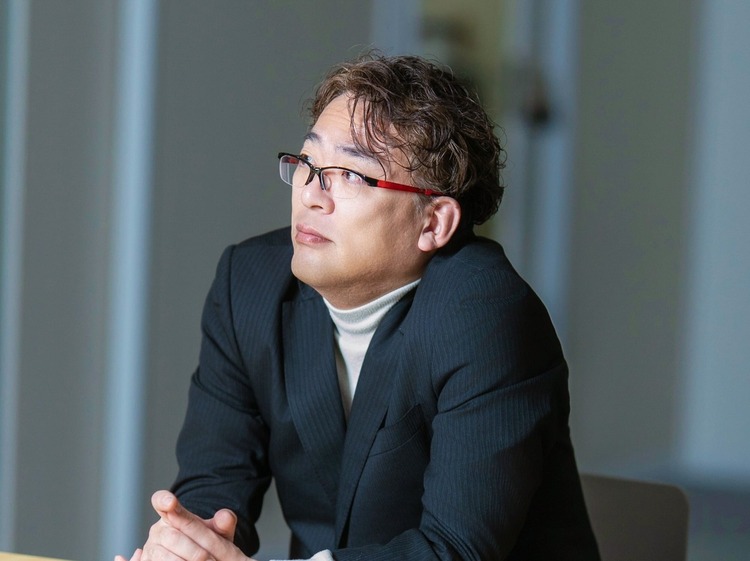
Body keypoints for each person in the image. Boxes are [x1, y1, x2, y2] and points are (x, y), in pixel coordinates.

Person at [118, 53, 600, 561]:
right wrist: (190, 544)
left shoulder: (487, 314)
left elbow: (455, 551)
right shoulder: (249, 284)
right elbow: (214, 484)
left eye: (350, 175)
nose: (311, 194)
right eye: (308, 163)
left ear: (434, 223)